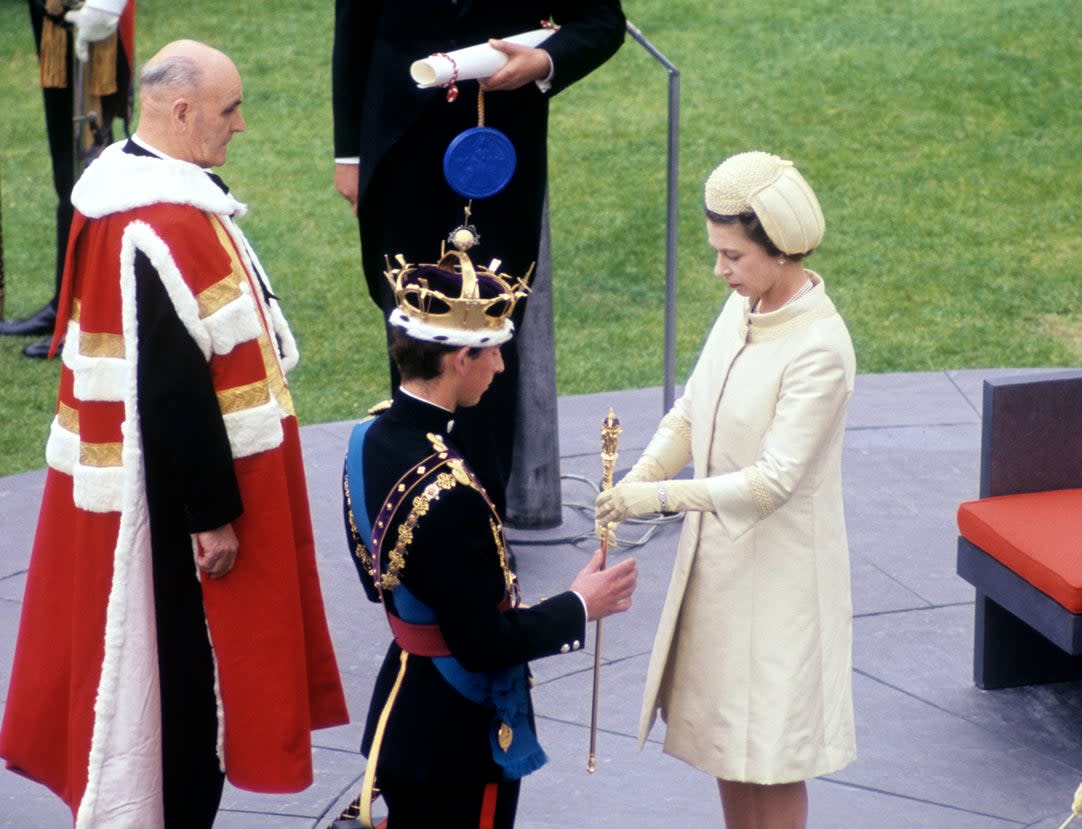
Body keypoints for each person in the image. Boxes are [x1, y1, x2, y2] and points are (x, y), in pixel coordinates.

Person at [0, 40, 349, 829]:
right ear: (181, 111)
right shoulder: (158, 225)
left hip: (148, 495)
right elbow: (170, 387)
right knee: (189, 698)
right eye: (229, 110)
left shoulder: (129, 201)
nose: (242, 126)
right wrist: (211, 514)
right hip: (171, 515)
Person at [595, 151, 858, 829]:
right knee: (728, 748)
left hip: (781, 578)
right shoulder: (742, 305)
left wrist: (654, 501)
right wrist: (637, 477)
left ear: (780, 250)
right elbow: (692, 408)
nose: (721, 270)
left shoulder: (821, 346)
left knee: (769, 755)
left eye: (733, 255)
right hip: (721, 565)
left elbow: (772, 481)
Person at [343, 249, 638, 828]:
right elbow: (481, 645)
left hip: (404, 705)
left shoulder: (367, 437)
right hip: (457, 738)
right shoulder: (451, 495)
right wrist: (580, 605)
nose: (500, 367)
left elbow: (378, 581)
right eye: (493, 350)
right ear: (459, 358)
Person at [332, 0, 625, 520]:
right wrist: (349, 155)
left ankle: (481, 521)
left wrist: (545, 61)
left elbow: (600, 23)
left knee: (488, 332)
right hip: (400, 149)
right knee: (415, 332)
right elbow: (355, 27)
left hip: (499, 153)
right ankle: (412, 508)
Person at [0, 0, 135, 359]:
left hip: (95, 16)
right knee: (68, 175)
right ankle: (64, 305)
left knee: (90, 171)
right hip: (53, 16)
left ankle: (86, 317)